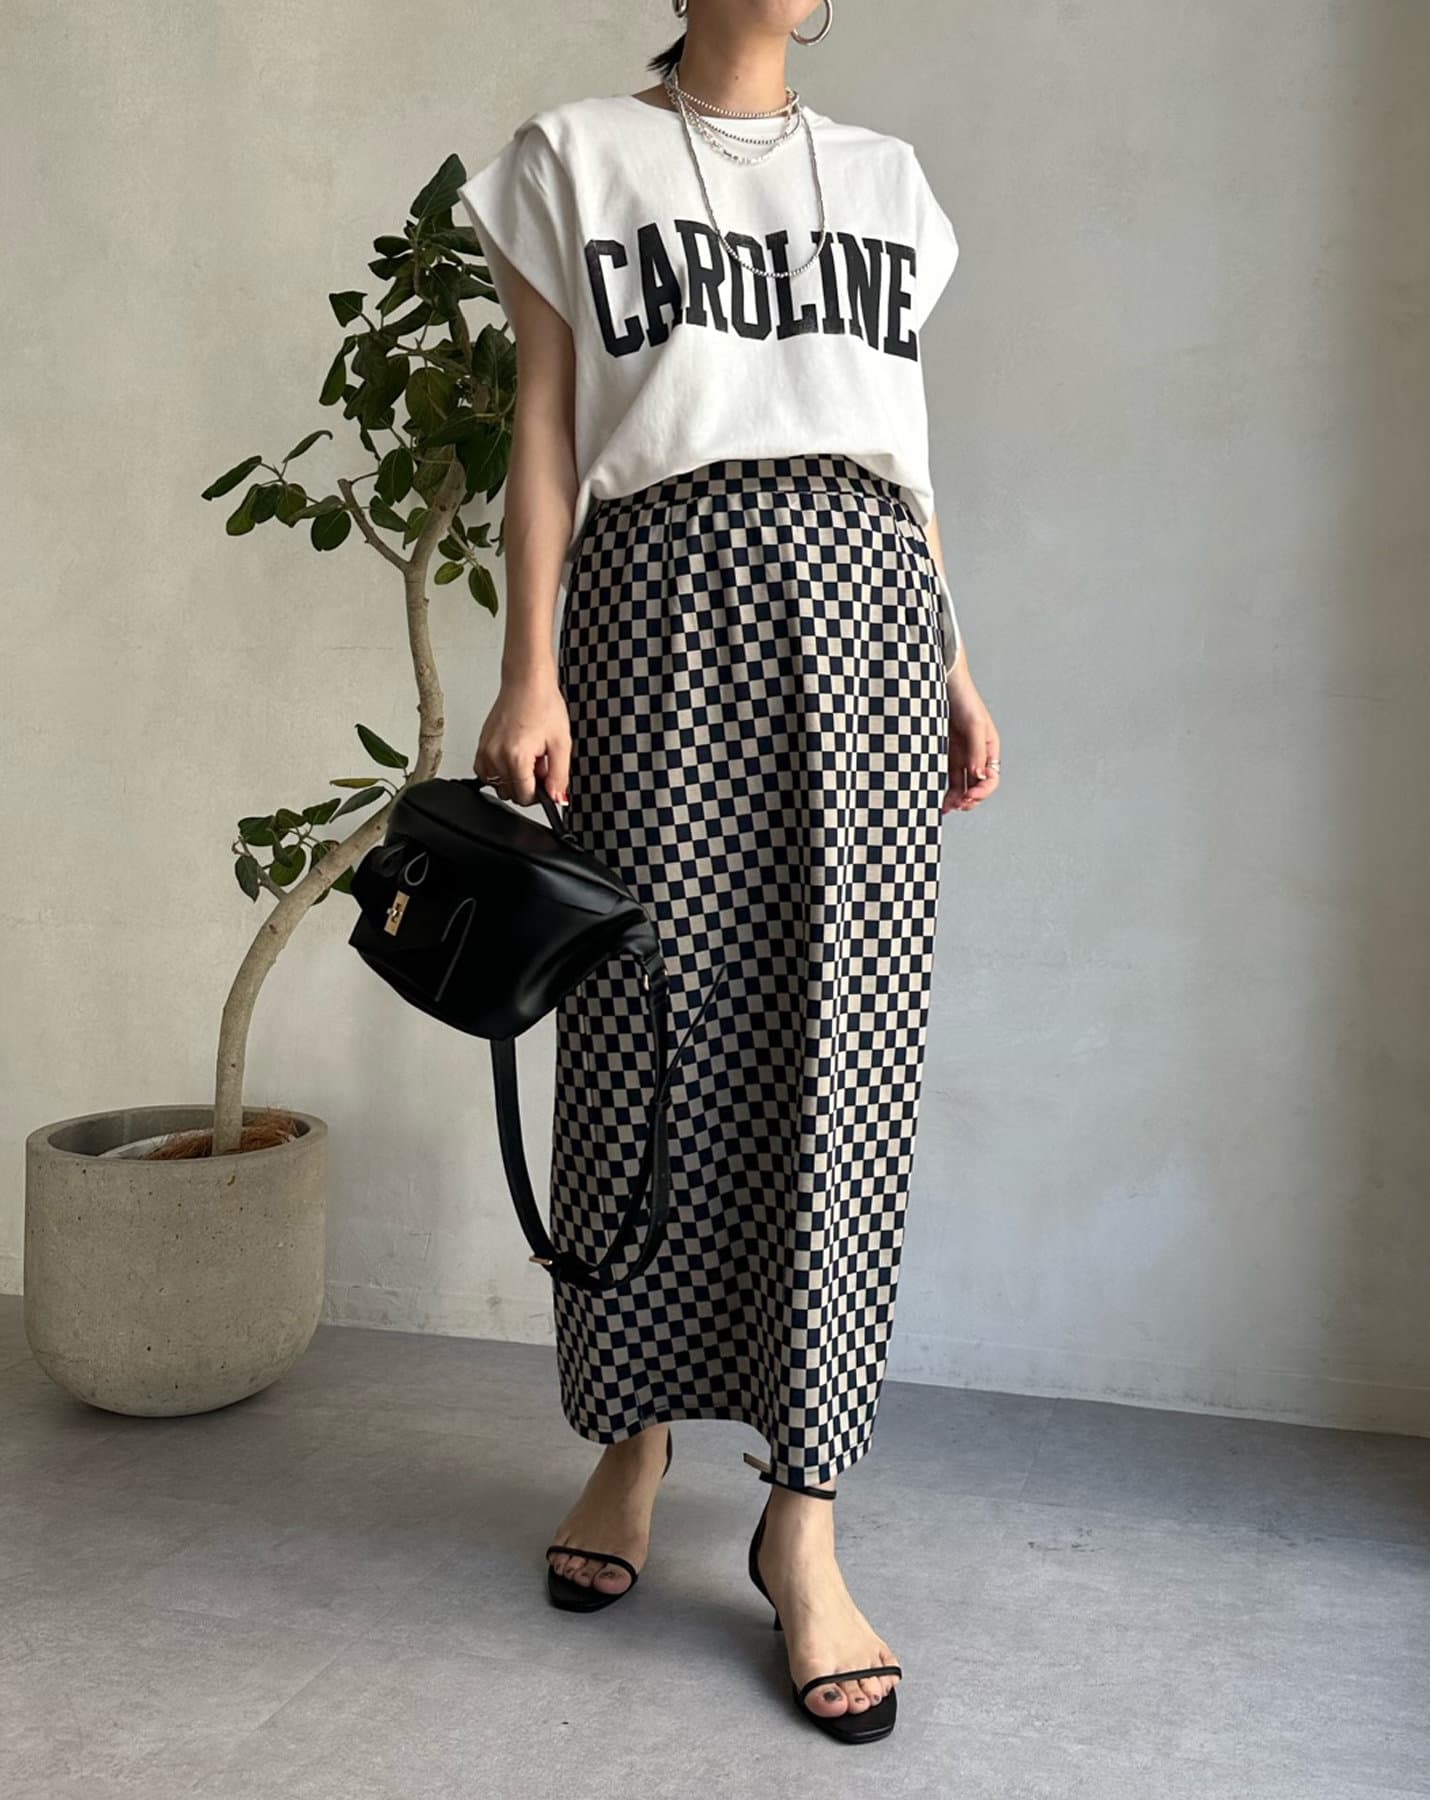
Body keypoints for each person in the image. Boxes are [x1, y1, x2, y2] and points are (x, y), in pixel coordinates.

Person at [458, 0, 1000, 1747]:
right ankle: (632, 1439)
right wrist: (529, 669)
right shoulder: (576, 157)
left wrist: (955, 662)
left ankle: (805, 1517)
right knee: (643, 1035)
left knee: (848, 1051)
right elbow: (547, 429)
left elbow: (904, 452)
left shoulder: (888, 182)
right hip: (660, 603)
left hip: (867, 615)